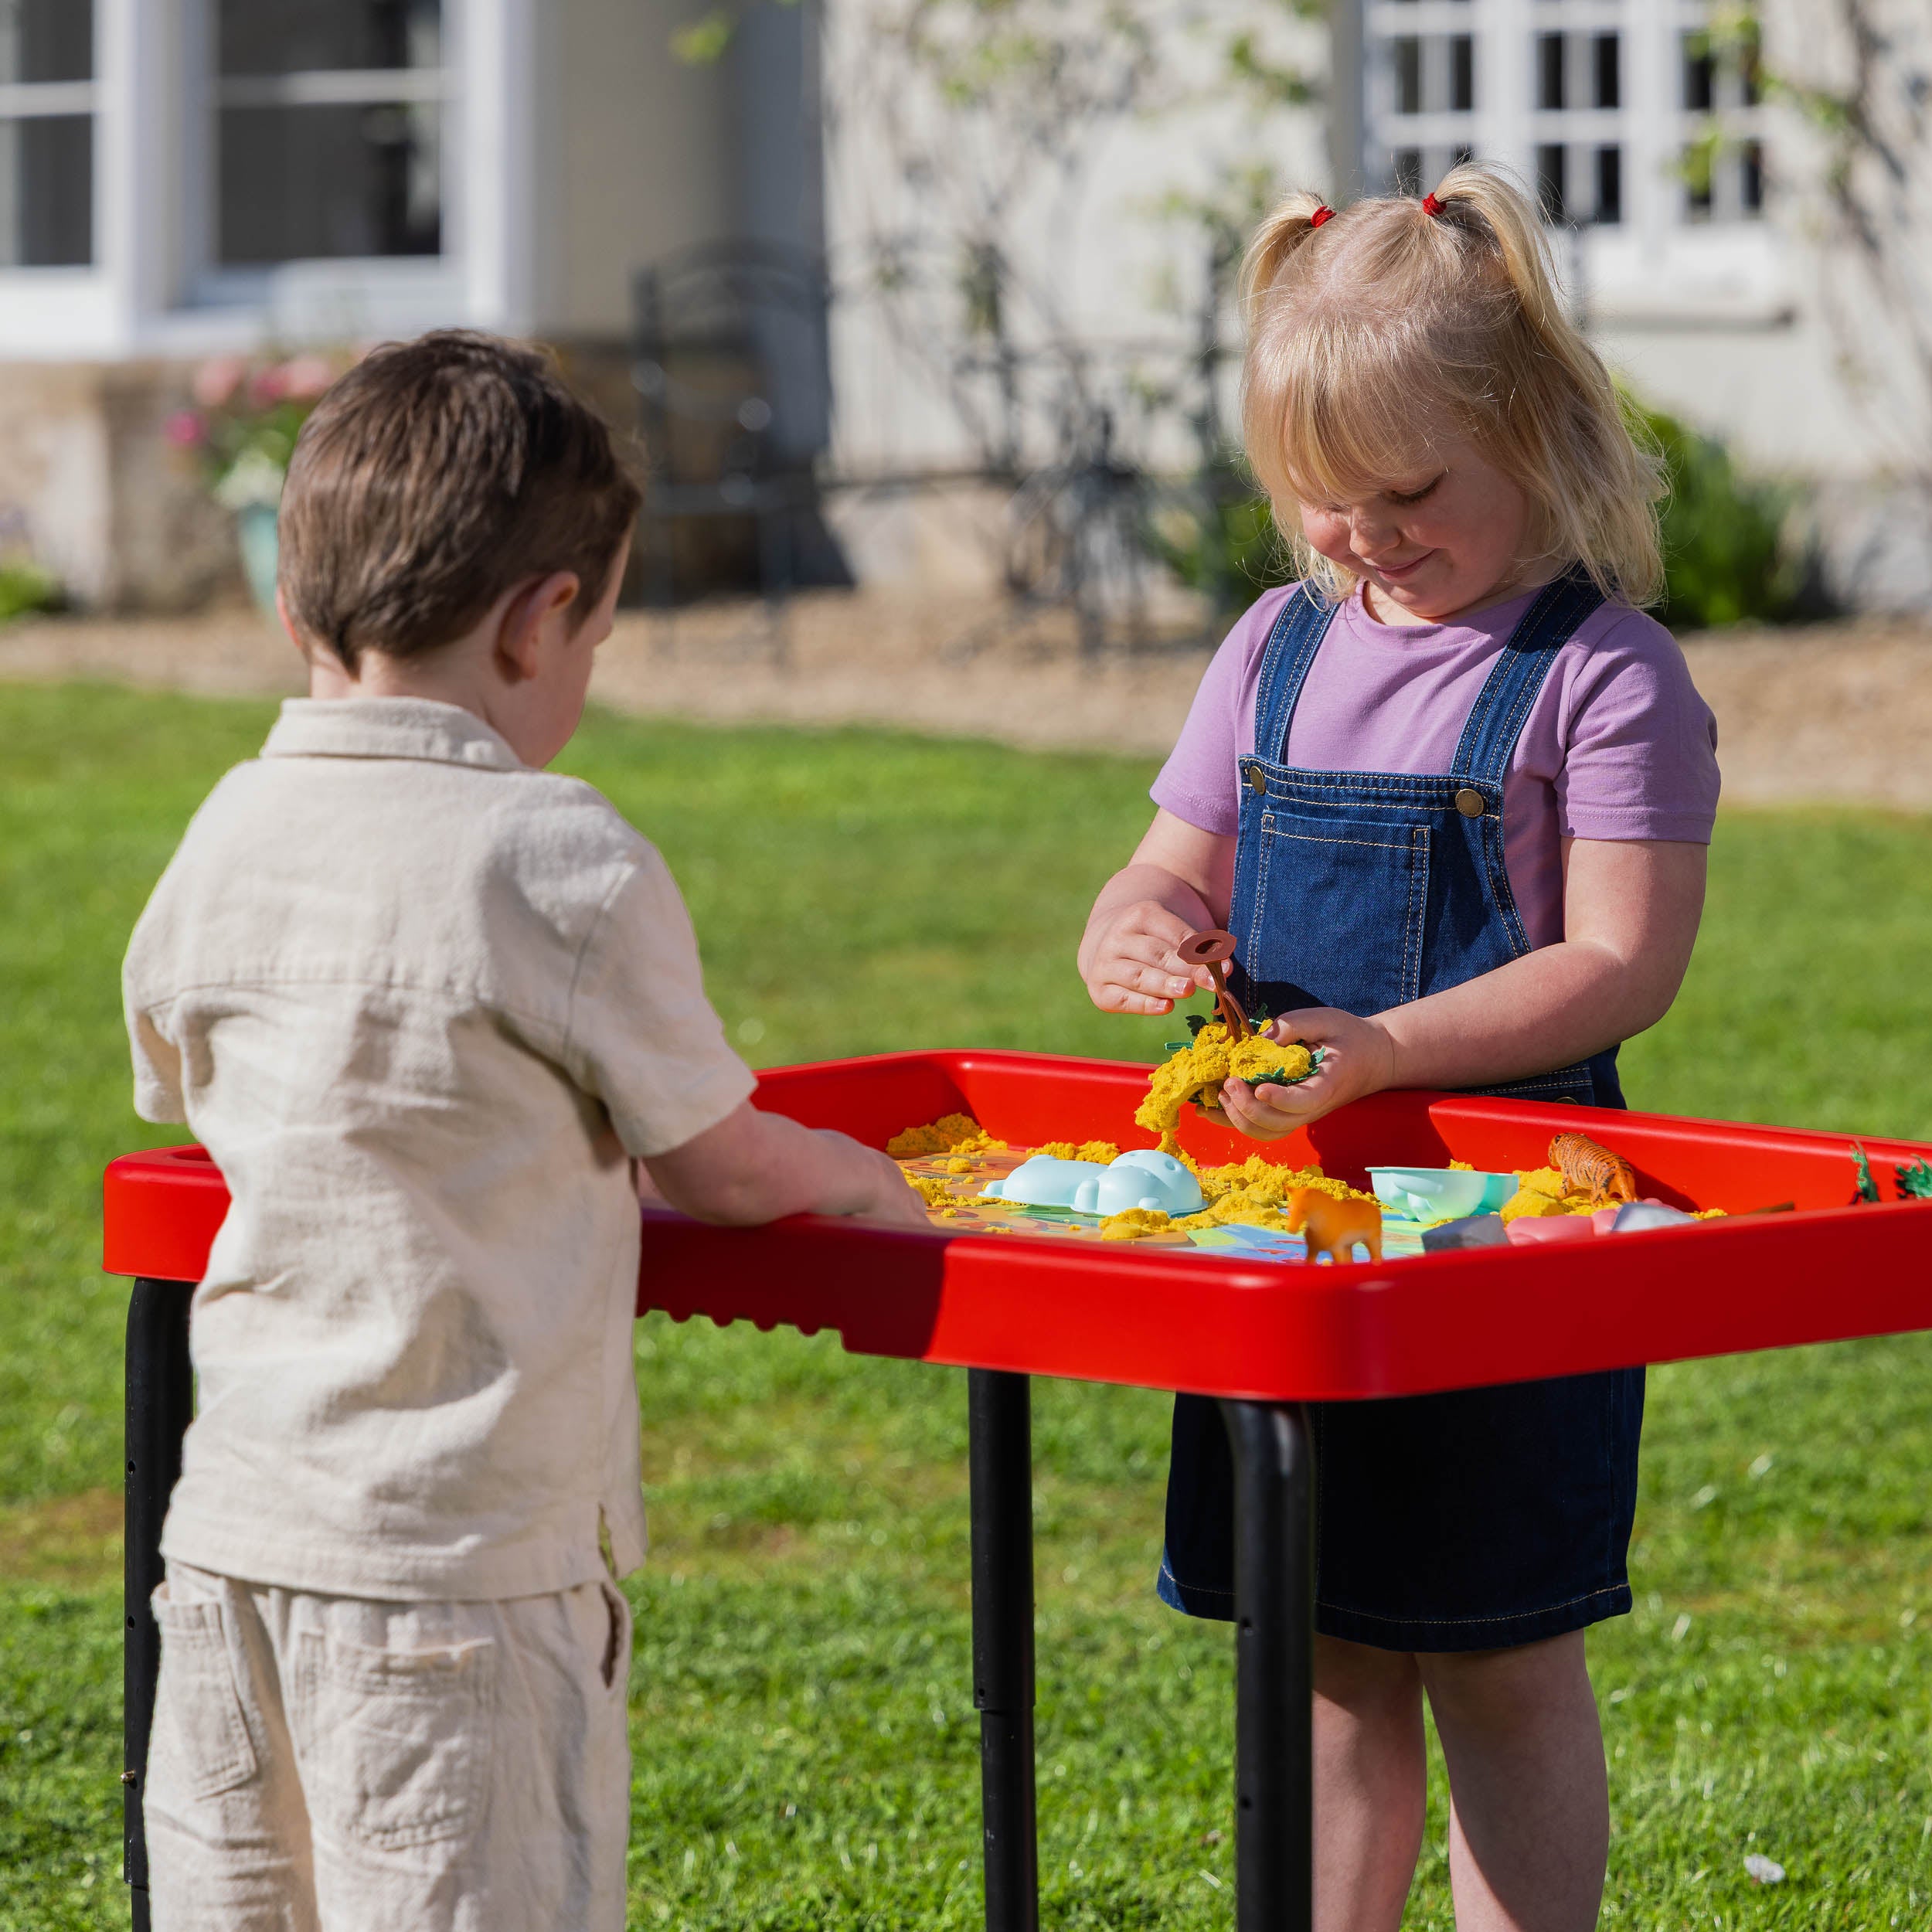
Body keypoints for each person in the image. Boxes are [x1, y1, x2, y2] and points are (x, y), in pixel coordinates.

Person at [122, 330, 926, 1932]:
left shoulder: (225, 828)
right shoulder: (549, 853)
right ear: (542, 618)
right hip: (463, 1568)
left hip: (230, 1547)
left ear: (299, 609)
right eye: (597, 639)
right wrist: (861, 1172)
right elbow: (714, 1156)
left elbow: (179, 1081)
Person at [1077, 166, 1719, 1931]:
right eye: (1315, 498)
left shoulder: (1604, 676)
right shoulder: (1271, 647)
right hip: (1281, 1226)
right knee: (1327, 1650)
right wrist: (1128, 921)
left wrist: (1385, 1045)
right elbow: (1165, 859)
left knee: (1501, 1654)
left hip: (1509, 1237)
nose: (1357, 535)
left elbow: (1618, 963)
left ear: (1534, 428)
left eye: (1408, 491)